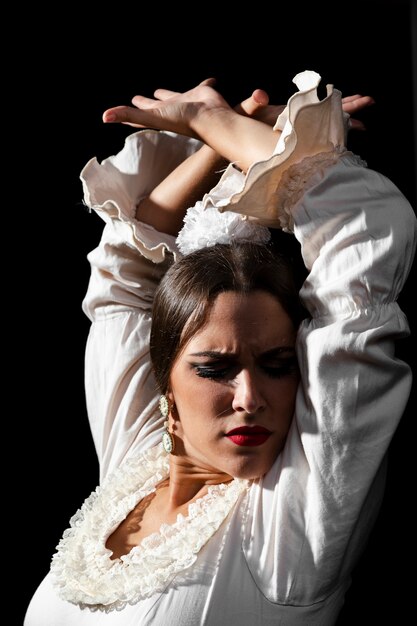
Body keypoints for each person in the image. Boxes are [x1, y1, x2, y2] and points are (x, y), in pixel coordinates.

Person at [24, 71, 416, 625]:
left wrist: (210, 119)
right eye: (215, 369)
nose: (250, 397)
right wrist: (219, 143)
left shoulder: (292, 526)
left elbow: (364, 227)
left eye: (279, 366)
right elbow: (125, 274)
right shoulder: (132, 460)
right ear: (166, 384)